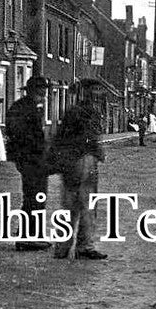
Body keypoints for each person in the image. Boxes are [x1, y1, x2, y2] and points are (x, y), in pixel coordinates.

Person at [48, 100, 107, 260]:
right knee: (87, 205)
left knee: (69, 205)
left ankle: (62, 246)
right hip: (84, 161)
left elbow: (58, 140)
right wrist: (98, 152)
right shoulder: (89, 114)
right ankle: (85, 246)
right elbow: (92, 139)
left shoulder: (70, 114)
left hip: (69, 162)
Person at [5, 77, 52, 251]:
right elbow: (19, 135)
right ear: (32, 92)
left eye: (45, 93)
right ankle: (26, 238)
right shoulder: (23, 108)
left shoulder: (29, 107)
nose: (44, 96)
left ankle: (32, 235)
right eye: (41, 93)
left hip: (35, 160)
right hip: (30, 160)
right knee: (34, 198)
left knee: (36, 198)